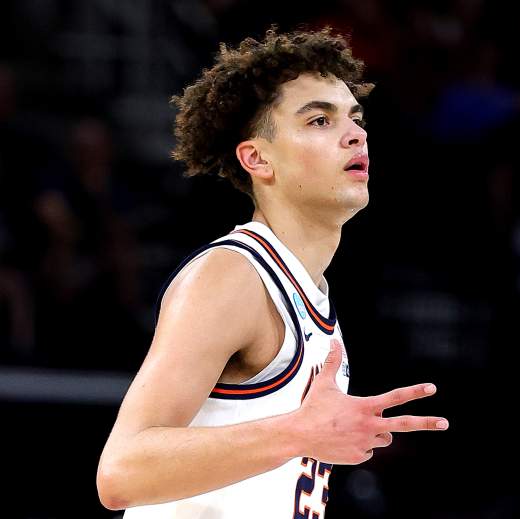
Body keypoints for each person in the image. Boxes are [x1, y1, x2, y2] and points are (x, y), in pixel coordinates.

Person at [96, 27, 449, 517]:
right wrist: (299, 432)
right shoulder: (233, 276)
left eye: (355, 117)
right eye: (320, 120)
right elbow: (121, 473)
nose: (355, 133)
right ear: (257, 158)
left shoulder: (312, 297)